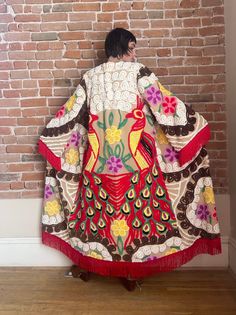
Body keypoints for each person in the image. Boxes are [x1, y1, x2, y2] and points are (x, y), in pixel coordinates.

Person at [38, 28, 221, 291]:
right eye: (131, 48)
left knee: (99, 215)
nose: (134, 54)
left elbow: (70, 113)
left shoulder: (90, 77)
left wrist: (51, 139)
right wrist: (194, 126)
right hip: (136, 163)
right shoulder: (139, 73)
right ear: (120, 48)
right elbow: (164, 105)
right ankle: (130, 268)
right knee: (135, 217)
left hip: (96, 163)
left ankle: (95, 262)